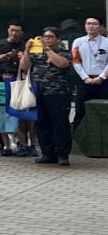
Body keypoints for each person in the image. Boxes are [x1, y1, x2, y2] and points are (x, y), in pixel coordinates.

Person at [22, 27, 76, 166]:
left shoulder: (63, 52)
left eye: (50, 37)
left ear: (58, 39)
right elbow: (24, 67)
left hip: (58, 93)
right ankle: (47, 153)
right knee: (42, 124)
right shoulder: (36, 51)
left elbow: (62, 64)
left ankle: (62, 154)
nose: (46, 39)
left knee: (60, 124)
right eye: (44, 36)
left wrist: (47, 49)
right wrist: (27, 50)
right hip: (38, 92)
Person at [0, 22, 26, 156]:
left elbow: (30, 65)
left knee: (19, 115)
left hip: (19, 82)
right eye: (12, 30)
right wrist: (0, 59)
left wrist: (19, 59)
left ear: (22, 32)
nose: (14, 33)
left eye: (17, 31)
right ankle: (0, 143)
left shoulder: (25, 46)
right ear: (8, 30)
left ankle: (22, 144)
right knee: (0, 114)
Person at [70, 15, 107, 132]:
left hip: (103, 81)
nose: (91, 26)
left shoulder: (106, 42)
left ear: (101, 27)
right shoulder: (78, 42)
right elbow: (76, 61)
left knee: (103, 110)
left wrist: (102, 77)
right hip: (84, 81)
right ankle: (78, 139)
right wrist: (85, 77)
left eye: (94, 24)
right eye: (88, 24)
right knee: (81, 111)